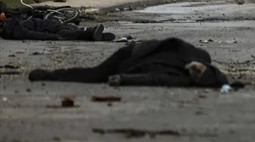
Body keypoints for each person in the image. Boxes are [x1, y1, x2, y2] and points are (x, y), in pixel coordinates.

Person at [28, 38, 229, 88]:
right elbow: (175, 43)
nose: (195, 72)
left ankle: (49, 75)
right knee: (95, 74)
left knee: (96, 76)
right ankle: (51, 75)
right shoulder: (199, 54)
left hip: (132, 64)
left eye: (197, 75)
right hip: (133, 53)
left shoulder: (183, 80)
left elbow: (153, 79)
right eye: (200, 70)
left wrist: (123, 79)